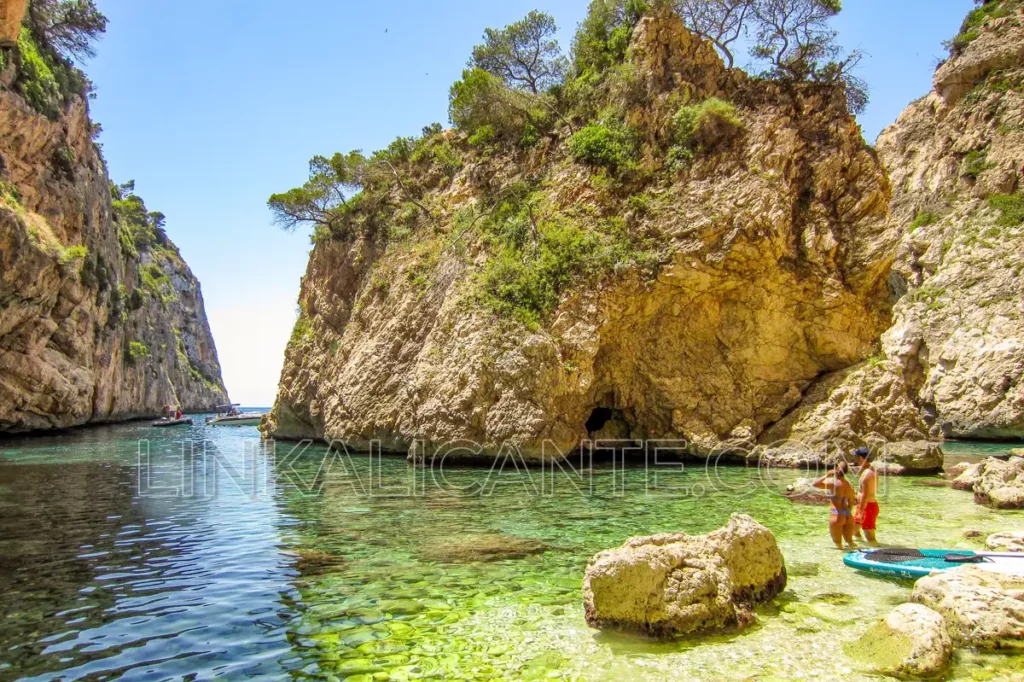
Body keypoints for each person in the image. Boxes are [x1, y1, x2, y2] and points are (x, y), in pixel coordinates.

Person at [813, 461, 858, 549]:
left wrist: (826, 475)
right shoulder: (850, 485)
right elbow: (851, 502)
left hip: (836, 514)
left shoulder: (833, 483)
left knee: (838, 545)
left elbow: (815, 484)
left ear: (836, 470)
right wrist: (848, 512)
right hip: (848, 515)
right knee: (850, 543)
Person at [853, 447, 879, 545]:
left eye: (856, 456)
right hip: (865, 506)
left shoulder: (868, 474)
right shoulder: (870, 470)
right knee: (853, 531)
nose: (855, 459)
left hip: (867, 507)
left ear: (860, 457)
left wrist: (860, 512)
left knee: (870, 537)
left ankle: (877, 555)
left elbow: (865, 495)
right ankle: (861, 547)